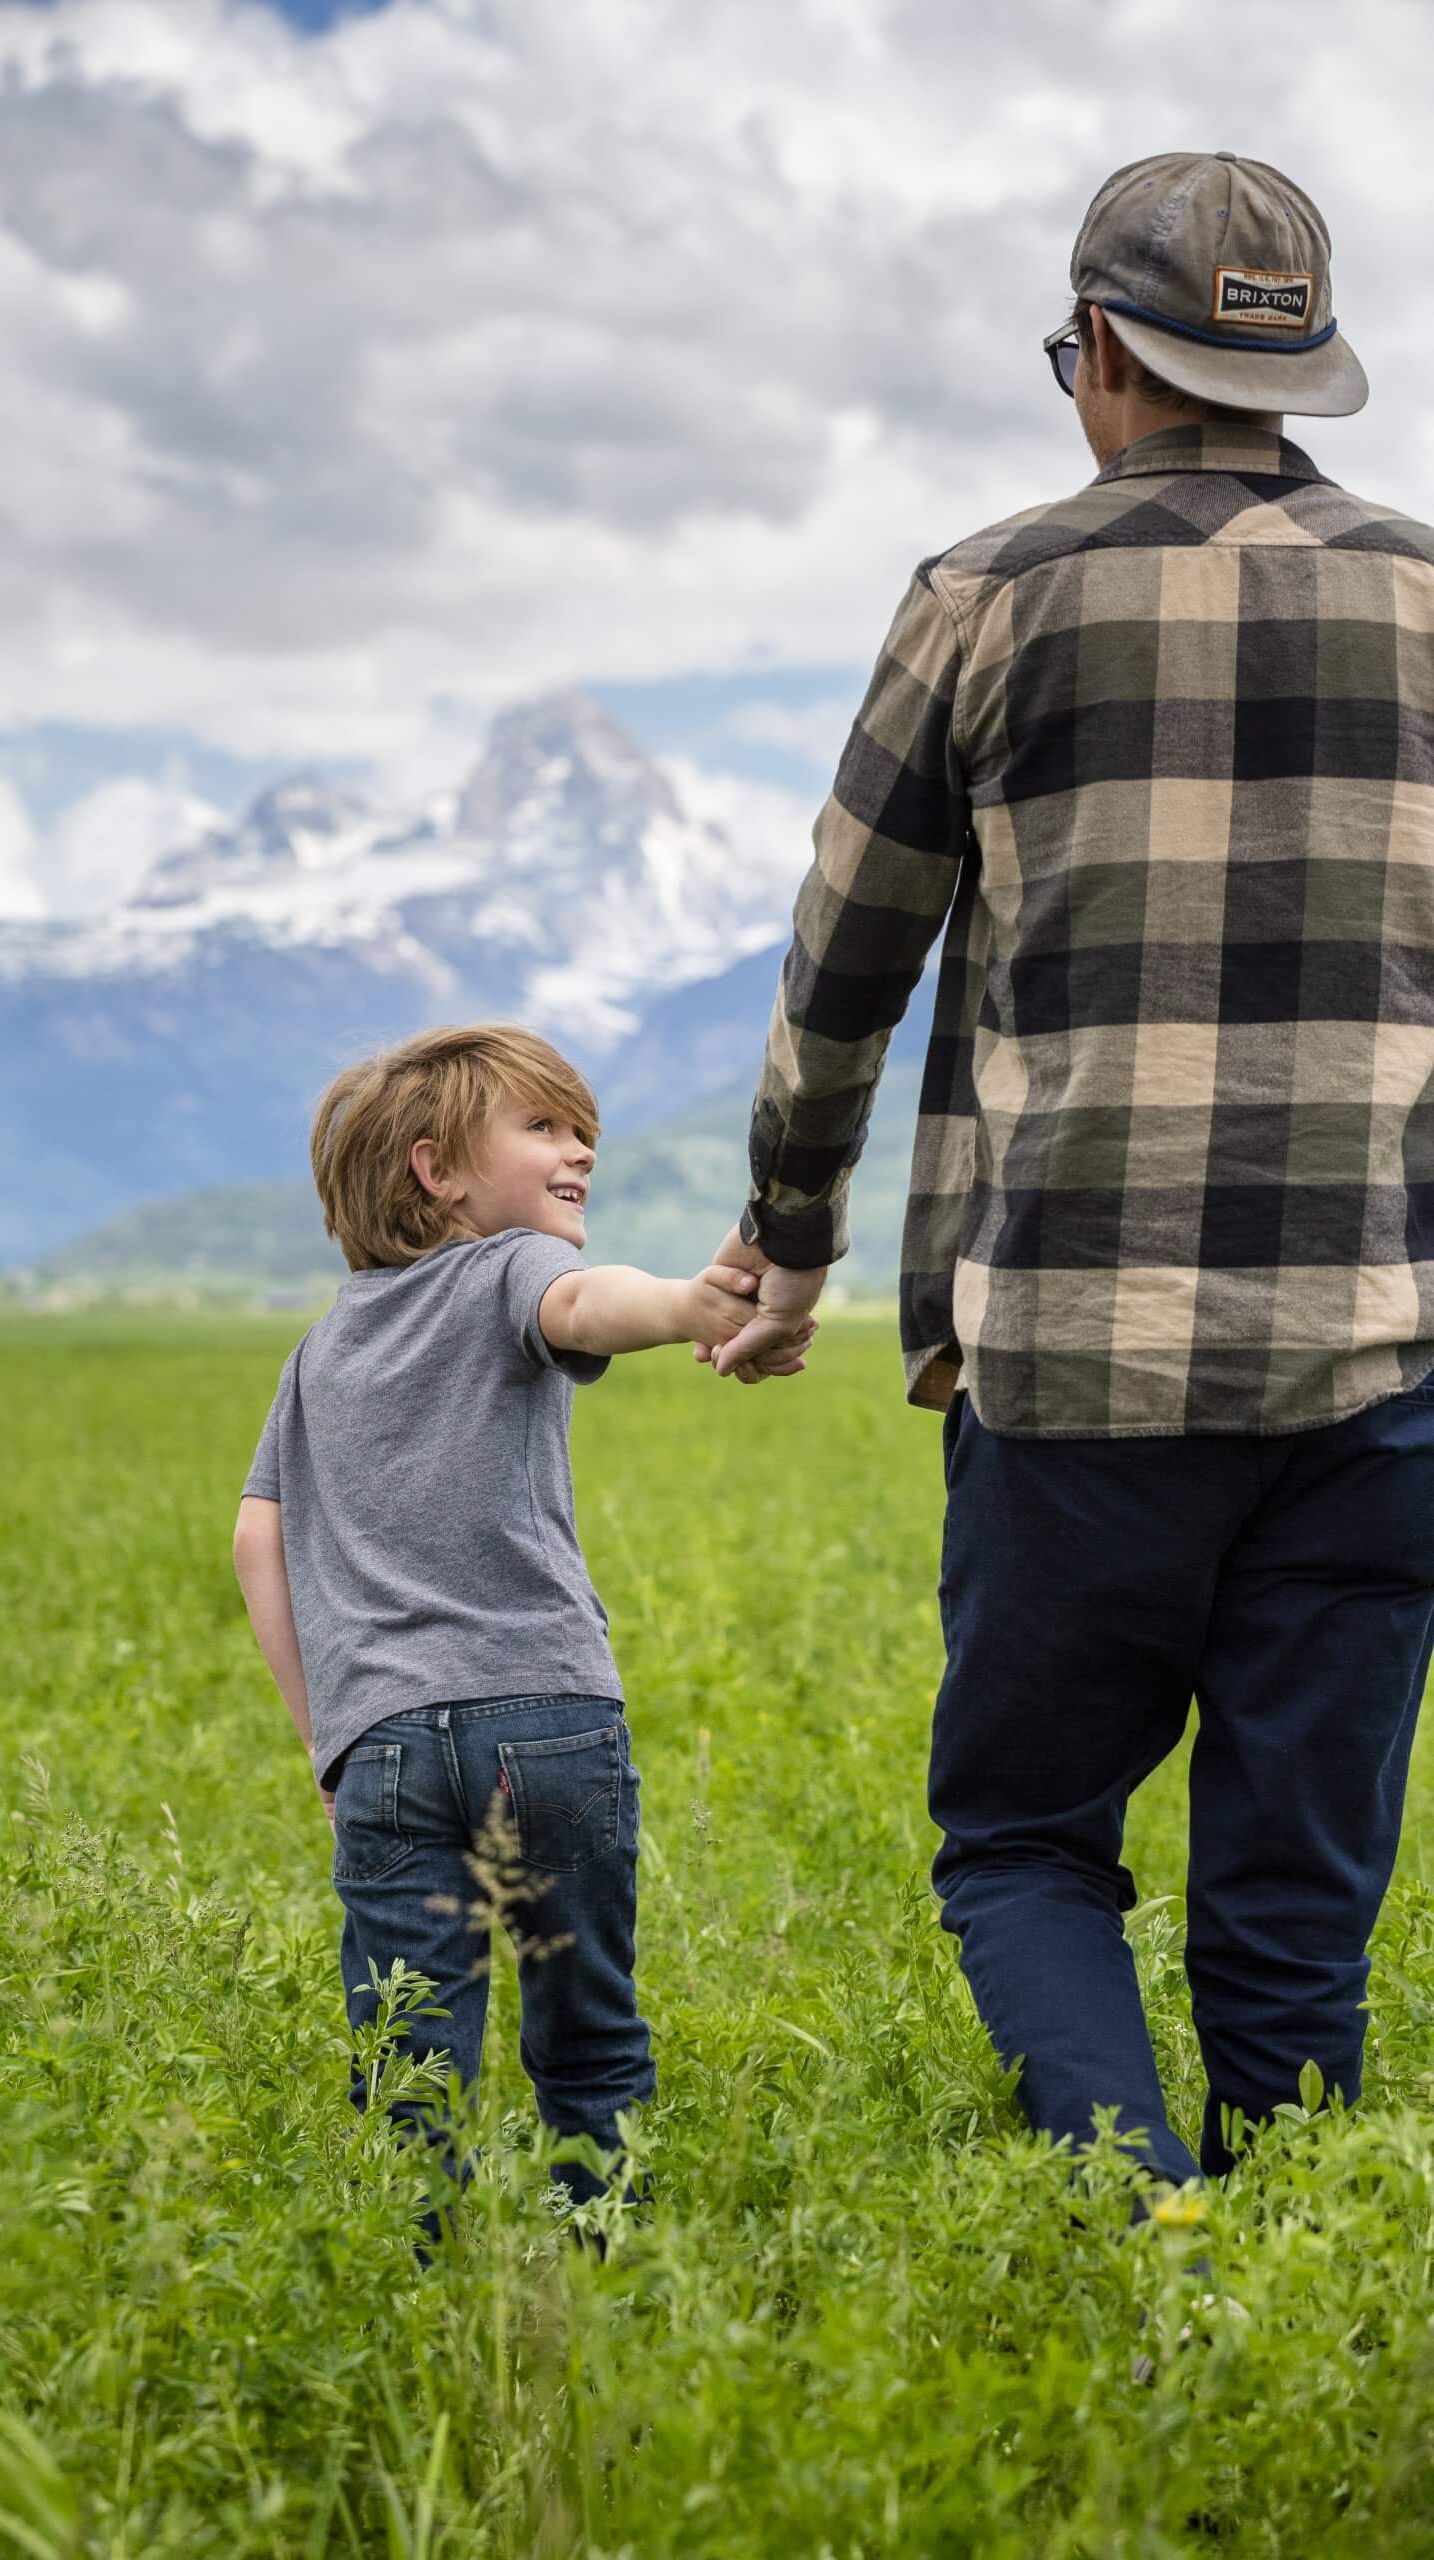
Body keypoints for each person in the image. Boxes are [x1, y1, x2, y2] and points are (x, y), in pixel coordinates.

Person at [708, 151, 1434, 2187]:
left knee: (1024, 1839)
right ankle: (1273, 2292)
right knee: (1296, 1904)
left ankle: (1136, 2239)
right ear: (1291, 368)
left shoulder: (982, 599)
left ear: (1101, 351)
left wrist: (786, 1237)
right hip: (1376, 1365)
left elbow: (841, 963)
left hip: (1070, 1371)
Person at [231, 1022, 811, 2238]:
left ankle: (432, 2316)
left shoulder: (317, 1347)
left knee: (410, 2064)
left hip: (381, 1746)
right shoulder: (505, 1270)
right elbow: (590, 1304)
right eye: (542, 1127)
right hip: (544, 1722)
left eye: (582, 1126)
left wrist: (326, 1738)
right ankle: (605, 2279)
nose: (581, 1150)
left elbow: (257, 1541)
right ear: (438, 1171)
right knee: (588, 2038)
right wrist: (691, 1303)